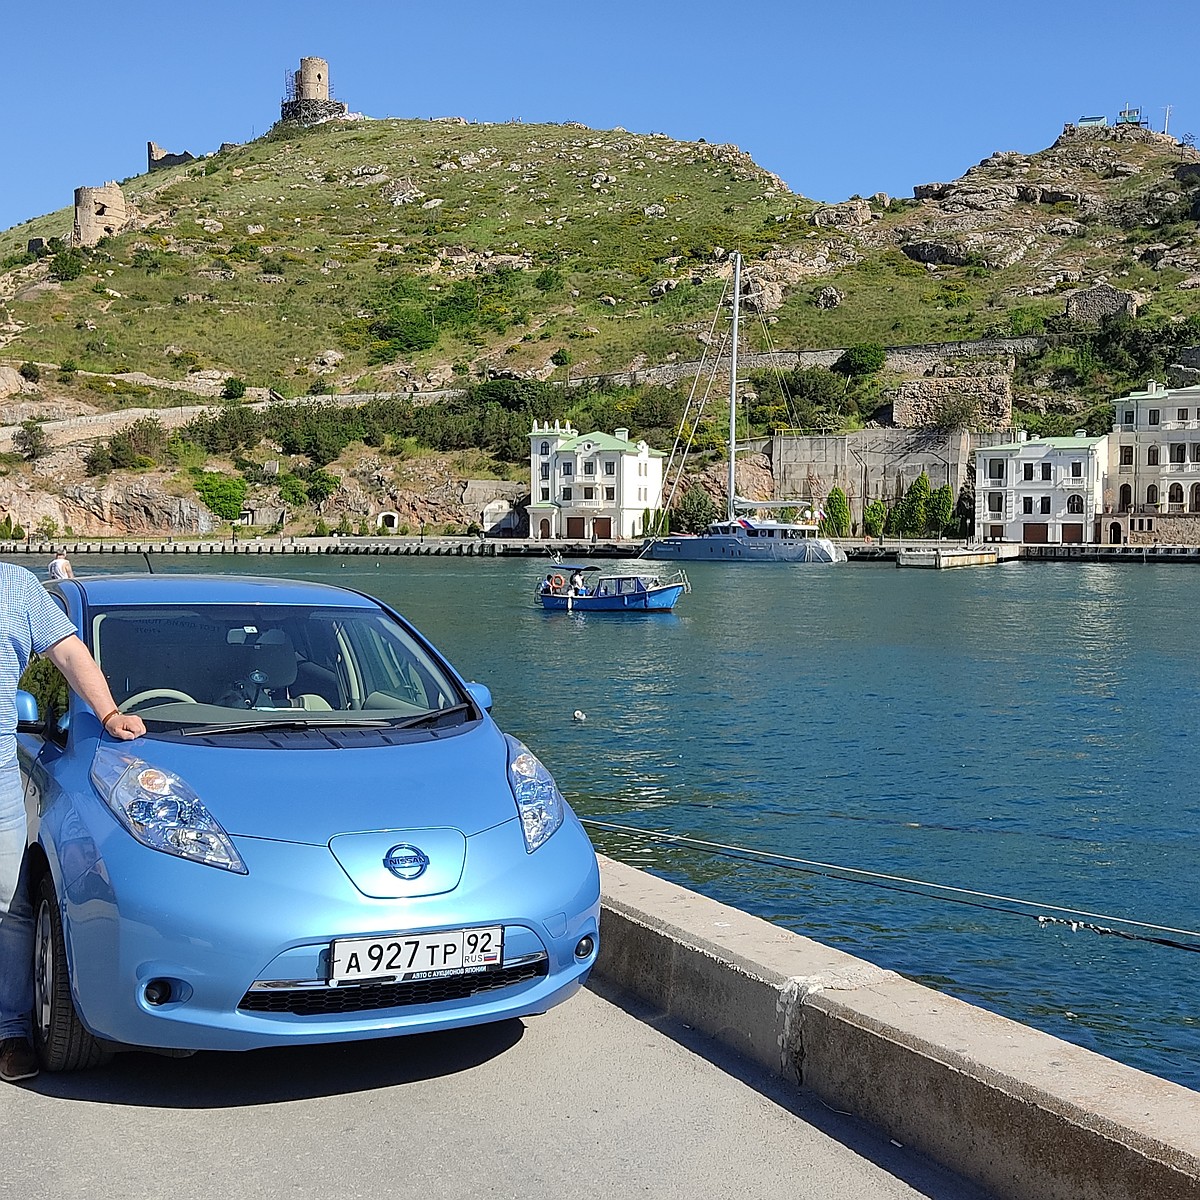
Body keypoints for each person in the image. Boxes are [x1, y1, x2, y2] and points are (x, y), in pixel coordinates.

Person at [0, 562, 144, 1084]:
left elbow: (68, 650)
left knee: (10, 909)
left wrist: (108, 715)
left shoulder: (14, 586)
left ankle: (10, 1029)